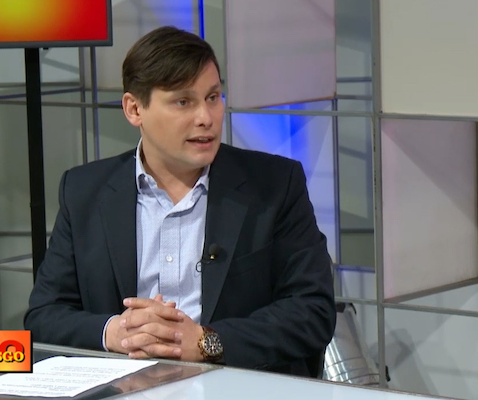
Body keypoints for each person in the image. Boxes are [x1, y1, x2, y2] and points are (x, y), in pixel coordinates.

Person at [25, 26, 336, 377]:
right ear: (134, 109)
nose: (206, 117)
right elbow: (44, 316)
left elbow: (312, 311)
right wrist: (115, 333)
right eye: (183, 102)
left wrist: (207, 342)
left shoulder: (274, 185)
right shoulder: (84, 191)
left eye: (213, 97)